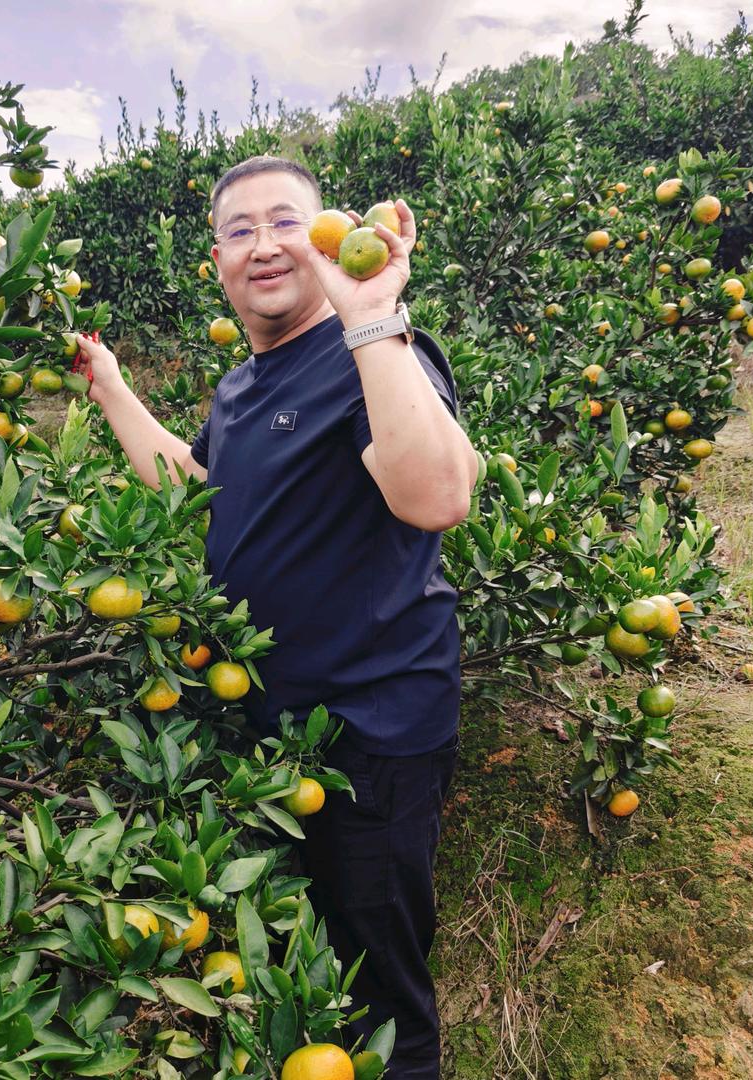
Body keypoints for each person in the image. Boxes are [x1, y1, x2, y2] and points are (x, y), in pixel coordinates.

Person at [74, 155, 478, 1080]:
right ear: (216, 259)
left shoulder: (375, 352)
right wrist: (110, 387)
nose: (263, 245)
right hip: (272, 736)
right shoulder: (240, 387)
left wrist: (372, 316)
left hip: (374, 732)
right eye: (239, 229)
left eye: (285, 221)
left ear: (326, 237)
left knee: (381, 988)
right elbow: (198, 488)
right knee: (312, 962)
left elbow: (438, 497)